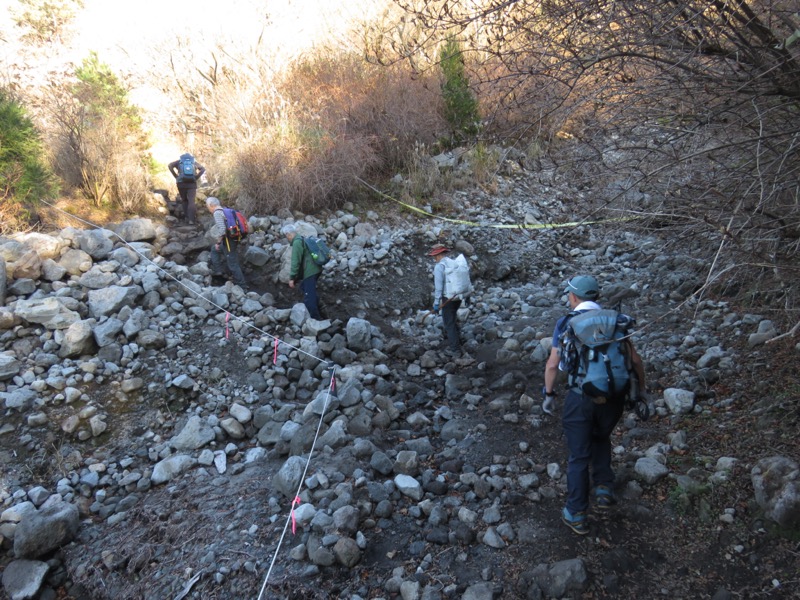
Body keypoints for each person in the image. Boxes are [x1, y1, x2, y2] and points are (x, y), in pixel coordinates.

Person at [543, 275, 646, 535]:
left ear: (574, 297)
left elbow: (554, 364)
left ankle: (576, 512)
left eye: (569, 294)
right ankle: (603, 488)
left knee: (578, 454)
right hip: (614, 397)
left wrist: (549, 393)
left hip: (581, 396)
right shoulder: (616, 320)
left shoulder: (567, 322)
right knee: (602, 437)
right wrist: (642, 392)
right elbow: (635, 360)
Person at [428, 244, 462, 357]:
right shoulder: (453, 262)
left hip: (448, 298)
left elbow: (439, 287)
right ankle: (458, 341)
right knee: (453, 318)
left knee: (449, 323)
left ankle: (455, 350)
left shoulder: (439, 267)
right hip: (457, 296)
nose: (434, 258)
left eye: (434, 256)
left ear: (438, 254)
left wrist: (436, 303)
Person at [282, 223, 322, 319]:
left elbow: (296, 262)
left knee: (308, 297)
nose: (287, 238)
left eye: (286, 236)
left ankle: (315, 319)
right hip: (316, 268)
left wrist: (292, 278)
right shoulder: (301, 238)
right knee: (304, 287)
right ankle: (320, 306)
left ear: (289, 234)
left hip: (310, 271)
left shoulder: (297, 242)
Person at [206, 197, 246, 288]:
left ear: (211, 205)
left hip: (229, 241)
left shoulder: (217, 213)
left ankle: (242, 285)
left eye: (207, 206)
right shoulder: (225, 210)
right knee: (214, 250)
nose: (208, 209)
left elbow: (222, 230)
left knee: (233, 263)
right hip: (234, 238)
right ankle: (219, 271)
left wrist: (218, 242)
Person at [168, 153, 205, 225]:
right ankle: (191, 220)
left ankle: (187, 218)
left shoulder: (179, 162)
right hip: (192, 183)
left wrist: (176, 176)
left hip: (181, 184)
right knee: (191, 201)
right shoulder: (193, 162)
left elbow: (170, 165)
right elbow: (203, 169)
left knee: (184, 200)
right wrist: (196, 177)